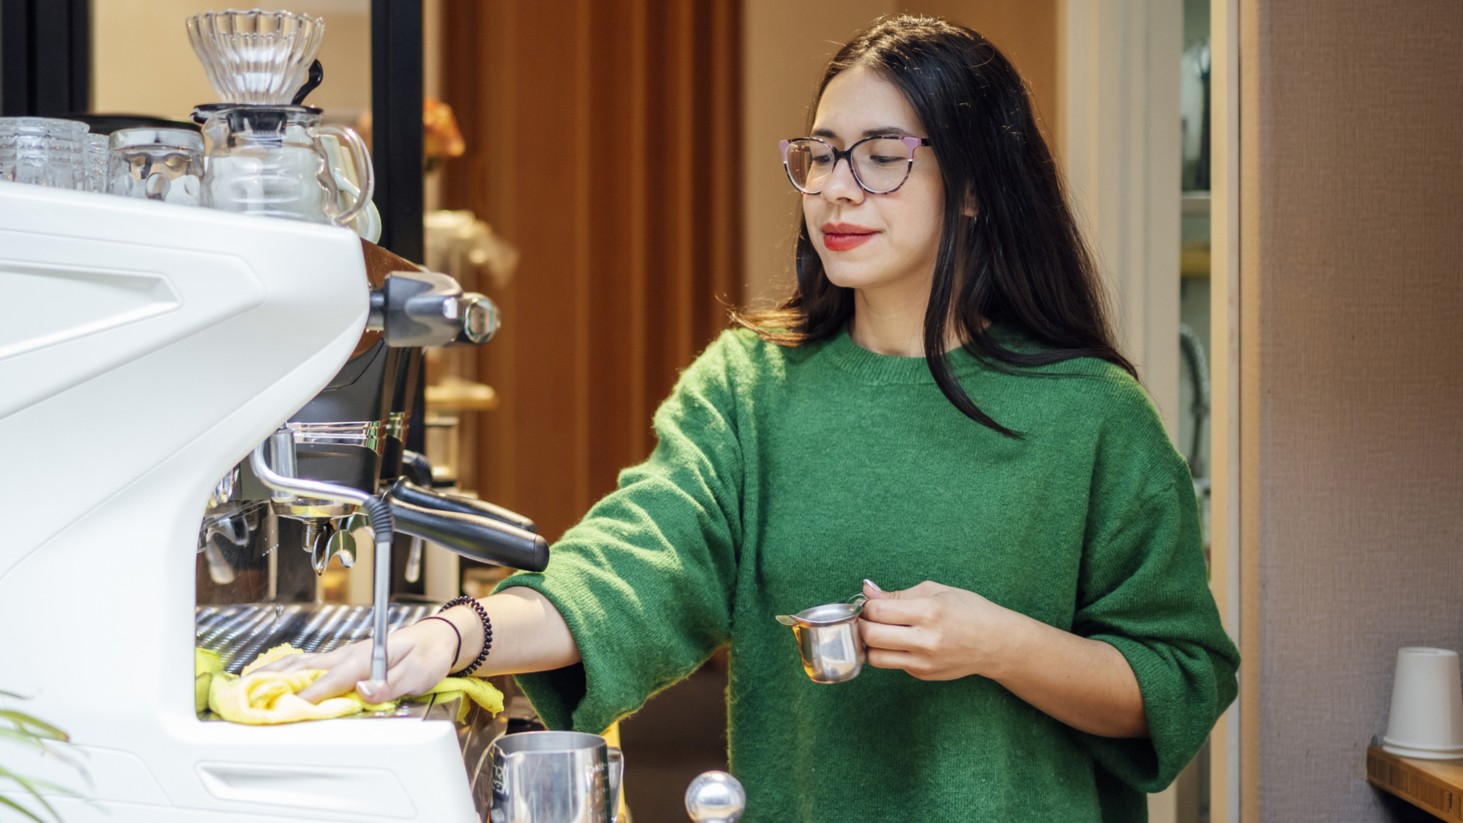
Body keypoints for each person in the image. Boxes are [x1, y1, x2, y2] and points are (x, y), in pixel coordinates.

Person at [267, 14, 1239, 821]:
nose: (833, 190)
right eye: (818, 156)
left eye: (880, 157)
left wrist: (996, 642)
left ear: (979, 185)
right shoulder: (751, 387)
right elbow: (629, 565)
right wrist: (448, 637)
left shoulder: (1090, 417)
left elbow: (1176, 676)